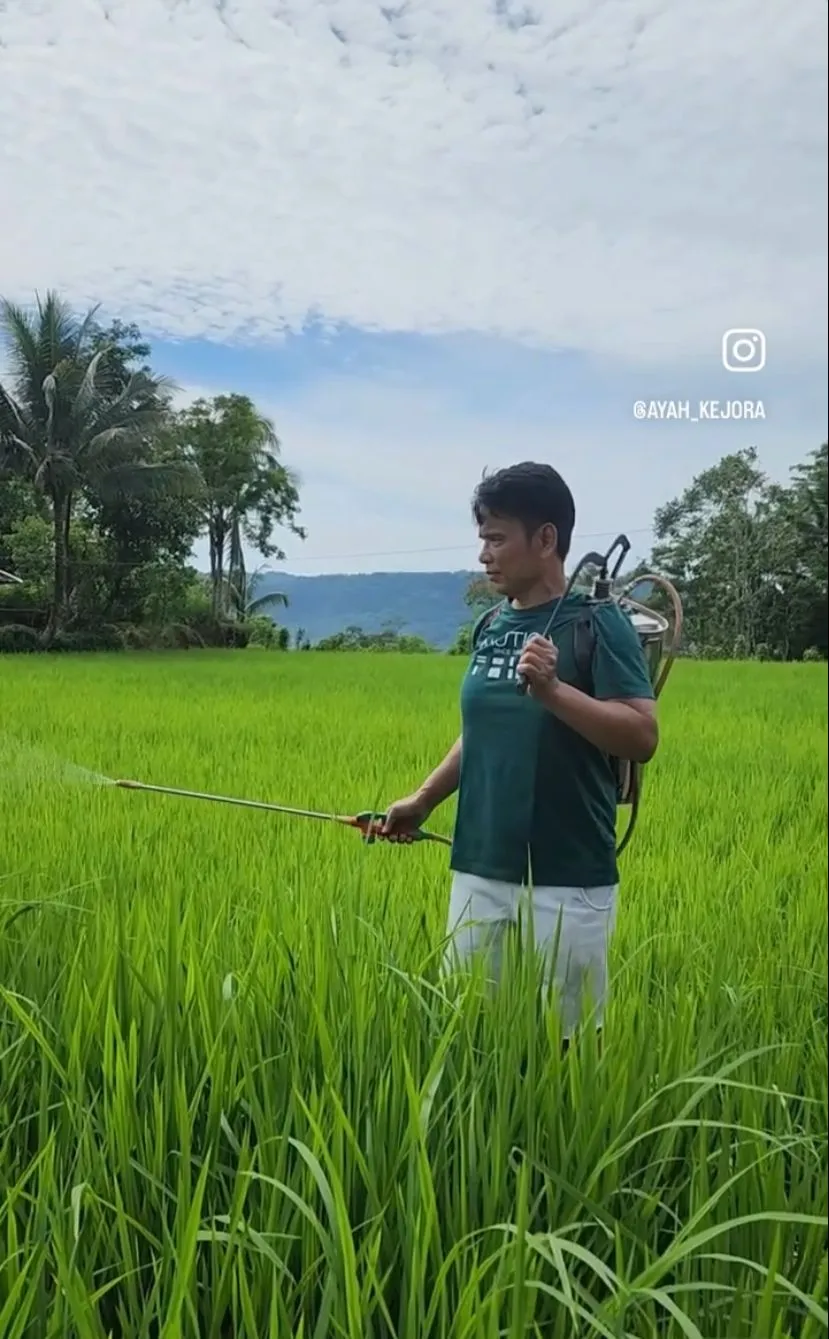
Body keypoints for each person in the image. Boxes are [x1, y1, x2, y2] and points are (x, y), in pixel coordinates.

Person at [381, 461, 658, 1040]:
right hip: (480, 863)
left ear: (547, 539)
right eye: (483, 539)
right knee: (472, 1032)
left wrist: (554, 692)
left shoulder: (600, 625)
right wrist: (425, 799)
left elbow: (640, 735)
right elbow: (483, 728)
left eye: (497, 538)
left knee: (568, 1044)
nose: (484, 554)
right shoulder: (490, 625)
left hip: (567, 874)